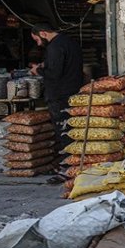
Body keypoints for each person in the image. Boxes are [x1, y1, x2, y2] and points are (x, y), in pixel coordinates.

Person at [28, 23, 84, 152]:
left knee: (64, 130)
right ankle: (75, 160)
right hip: (74, 91)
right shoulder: (70, 42)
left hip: (60, 95)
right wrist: (45, 64)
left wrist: (38, 71)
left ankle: (68, 162)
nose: (38, 44)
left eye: (37, 39)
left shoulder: (54, 47)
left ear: (43, 33)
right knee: (75, 128)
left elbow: (54, 73)